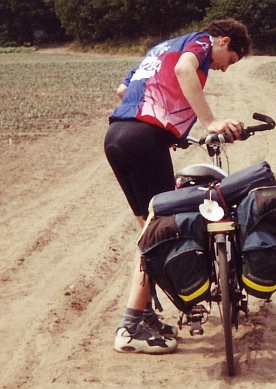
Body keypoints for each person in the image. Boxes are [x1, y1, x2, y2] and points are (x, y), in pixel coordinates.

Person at [104, 19, 252, 354]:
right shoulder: (199, 43)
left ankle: (143, 317)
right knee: (162, 232)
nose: (224, 69)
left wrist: (165, 129)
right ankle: (130, 326)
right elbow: (186, 71)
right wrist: (210, 122)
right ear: (224, 41)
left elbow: (123, 91)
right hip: (141, 140)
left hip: (117, 136)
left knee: (149, 231)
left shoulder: (161, 48)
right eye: (229, 61)